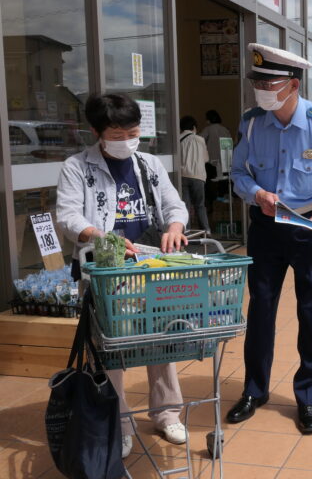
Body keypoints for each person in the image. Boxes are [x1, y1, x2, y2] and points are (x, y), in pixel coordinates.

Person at [227, 43, 312, 433]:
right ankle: (254, 390)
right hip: (267, 226)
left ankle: (308, 398)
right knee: (261, 309)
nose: (262, 89)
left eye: (270, 82)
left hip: (310, 227)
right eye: (257, 82)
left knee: (311, 311)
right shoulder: (252, 123)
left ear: (293, 85)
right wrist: (256, 194)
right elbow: (239, 173)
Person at [56, 93, 190, 458]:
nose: (128, 139)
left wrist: (176, 225)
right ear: (97, 132)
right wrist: (102, 238)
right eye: (118, 134)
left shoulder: (148, 163)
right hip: (106, 271)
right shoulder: (77, 167)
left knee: (162, 336)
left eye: (133, 132)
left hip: (149, 266)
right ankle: (118, 420)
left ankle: (167, 412)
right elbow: (68, 217)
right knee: (109, 349)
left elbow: (172, 203)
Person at [180, 115, 211, 234]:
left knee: (185, 205)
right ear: (194, 127)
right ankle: (206, 230)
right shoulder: (200, 139)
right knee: (200, 205)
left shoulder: (178, 139)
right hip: (198, 176)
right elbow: (206, 159)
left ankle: (186, 231)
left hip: (182, 175)